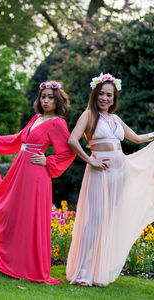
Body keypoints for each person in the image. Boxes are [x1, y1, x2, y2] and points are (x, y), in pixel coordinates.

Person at [0, 81, 75, 284]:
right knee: (14, 215)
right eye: (43, 96)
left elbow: (68, 152)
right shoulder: (36, 118)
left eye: (50, 97)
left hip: (36, 176)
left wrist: (48, 160)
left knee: (30, 218)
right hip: (19, 173)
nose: (46, 100)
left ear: (58, 99)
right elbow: (18, 140)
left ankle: (31, 268)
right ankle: (14, 264)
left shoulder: (57, 123)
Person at [66, 73, 154, 286]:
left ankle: (98, 270)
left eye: (109, 95)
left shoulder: (115, 119)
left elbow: (137, 138)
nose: (105, 98)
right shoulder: (88, 115)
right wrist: (90, 160)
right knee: (93, 221)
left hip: (119, 171)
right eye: (102, 94)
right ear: (95, 95)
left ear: (114, 99)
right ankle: (83, 272)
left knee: (106, 221)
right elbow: (72, 140)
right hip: (100, 170)